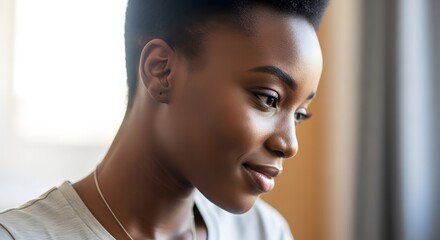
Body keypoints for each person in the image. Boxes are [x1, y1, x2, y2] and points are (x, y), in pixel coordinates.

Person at [0, 0, 329, 239]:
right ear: (161, 71)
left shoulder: (264, 233)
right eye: (268, 99)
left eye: (299, 114)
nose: (289, 144)